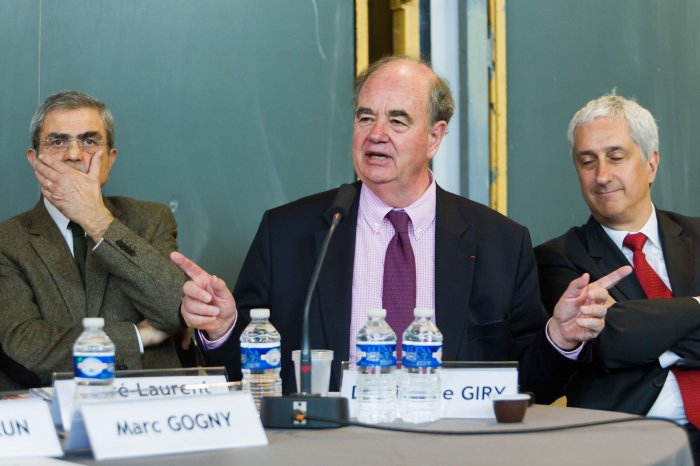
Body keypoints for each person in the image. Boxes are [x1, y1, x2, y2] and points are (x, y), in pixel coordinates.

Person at [172, 57, 628, 403]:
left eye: (397, 120)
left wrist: (560, 338)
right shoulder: (289, 232)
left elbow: (529, 386)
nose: (376, 134)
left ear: (434, 136)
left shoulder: (500, 242)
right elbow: (244, 374)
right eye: (366, 117)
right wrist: (224, 328)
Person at [535, 93, 700, 461]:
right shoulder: (558, 258)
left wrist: (636, 323)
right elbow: (611, 342)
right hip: (625, 446)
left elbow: (626, 331)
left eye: (616, 156)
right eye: (587, 161)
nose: (602, 175)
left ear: (651, 164)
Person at [0, 91, 188, 390]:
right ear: (35, 160)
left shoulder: (152, 219)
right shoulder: (7, 241)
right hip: (50, 419)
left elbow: (175, 311)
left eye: (89, 141)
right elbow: (26, 347)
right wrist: (136, 337)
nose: (74, 154)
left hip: (152, 411)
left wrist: (97, 221)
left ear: (110, 160)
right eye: (58, 141)